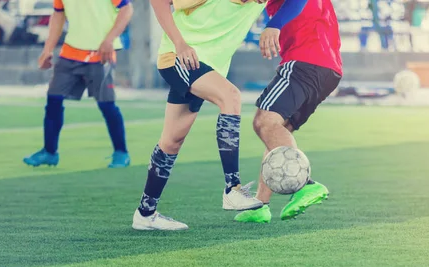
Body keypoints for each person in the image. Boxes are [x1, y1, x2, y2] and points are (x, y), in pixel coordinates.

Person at [131, 0, 267, 231]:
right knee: (231, 96)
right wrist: (180, 43)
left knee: (172, 141)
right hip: (180, 57)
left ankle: (145, 213)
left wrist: (275, 26)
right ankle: (232, 189)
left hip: (208, 66)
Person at [234, 0, 342, 223]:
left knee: (264, 122)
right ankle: (260, 205)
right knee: (276, 132)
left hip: (306, 59)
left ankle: (305, 185)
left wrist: (275, 24)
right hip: (325, 66)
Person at [23, 0, 133, 169]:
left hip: (101, 53)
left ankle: (121, 153)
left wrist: (109, 40)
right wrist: (47, 49)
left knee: (106, 105)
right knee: (53, 99)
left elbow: (127, 9)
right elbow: (59, 14)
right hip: (71, 52)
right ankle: (49, 152)